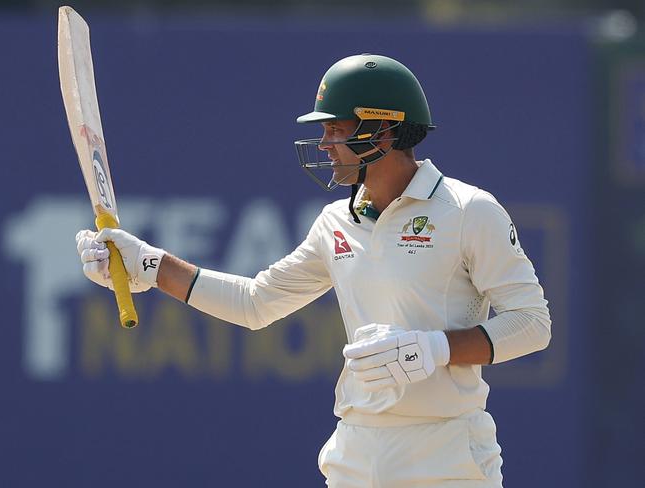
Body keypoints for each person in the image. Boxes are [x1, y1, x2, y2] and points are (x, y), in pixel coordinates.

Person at [76, 54, 551, 487]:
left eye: (335, 130)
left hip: (447, 455)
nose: (323, 144)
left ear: (381, 132)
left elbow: (532, 324)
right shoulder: (335, 222)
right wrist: (151, 266)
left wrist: (433, 347)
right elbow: (255, 302)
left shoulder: (470, 210)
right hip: (356, 452)